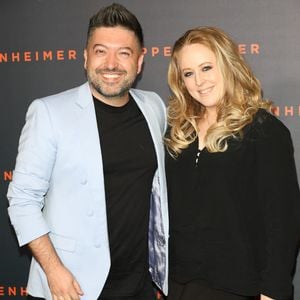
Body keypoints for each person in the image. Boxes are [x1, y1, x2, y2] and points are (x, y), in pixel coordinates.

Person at [7, 3, 169, 300]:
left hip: (140, 286)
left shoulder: (154, 106)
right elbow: (22, 200)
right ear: (85, 57)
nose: (111, 64)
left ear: (140, 60)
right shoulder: (49, 112)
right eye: (100, 51)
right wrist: (54, 271)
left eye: (124, 52)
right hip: (71, 286)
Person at [165, 26, 300, 300]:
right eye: (188, 73)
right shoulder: (179, 132)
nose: (199, 81)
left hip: (239, 288)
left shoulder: (263, 130)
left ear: (228, 65)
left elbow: (282, 223)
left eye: (206, 68)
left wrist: (273, 291)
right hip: (180, 284)